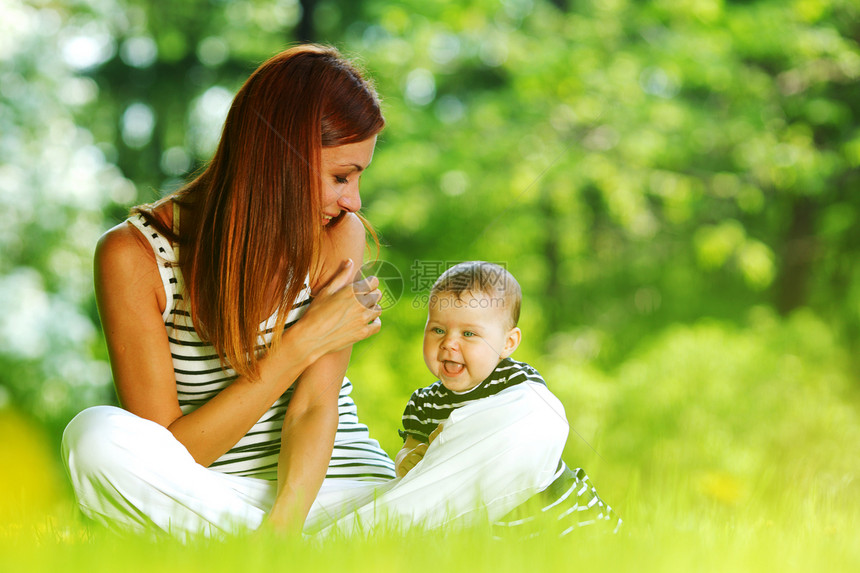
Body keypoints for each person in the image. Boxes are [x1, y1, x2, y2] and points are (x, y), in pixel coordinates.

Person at [62, 44, 398, 538]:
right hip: (216, 494)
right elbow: (177, 454)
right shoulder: (133, 256)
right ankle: (310, 554)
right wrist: (301, 342)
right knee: (92, 438)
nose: (354, 200)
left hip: (343, 492)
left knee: (526, 415)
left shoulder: (335, 232)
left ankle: (278, 551)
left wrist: (284, 527)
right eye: (341, 176)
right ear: (280, 158)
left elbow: (313, 406)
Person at [394, 261, 621, 537]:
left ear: (507, 344)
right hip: (493, 526)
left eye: (469, 334)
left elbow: (529, 426)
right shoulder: (424, 402)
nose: (449, 343)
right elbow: (410, 447)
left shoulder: (515, 381)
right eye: (438, 330)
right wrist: (406, 459)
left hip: (560, 514)